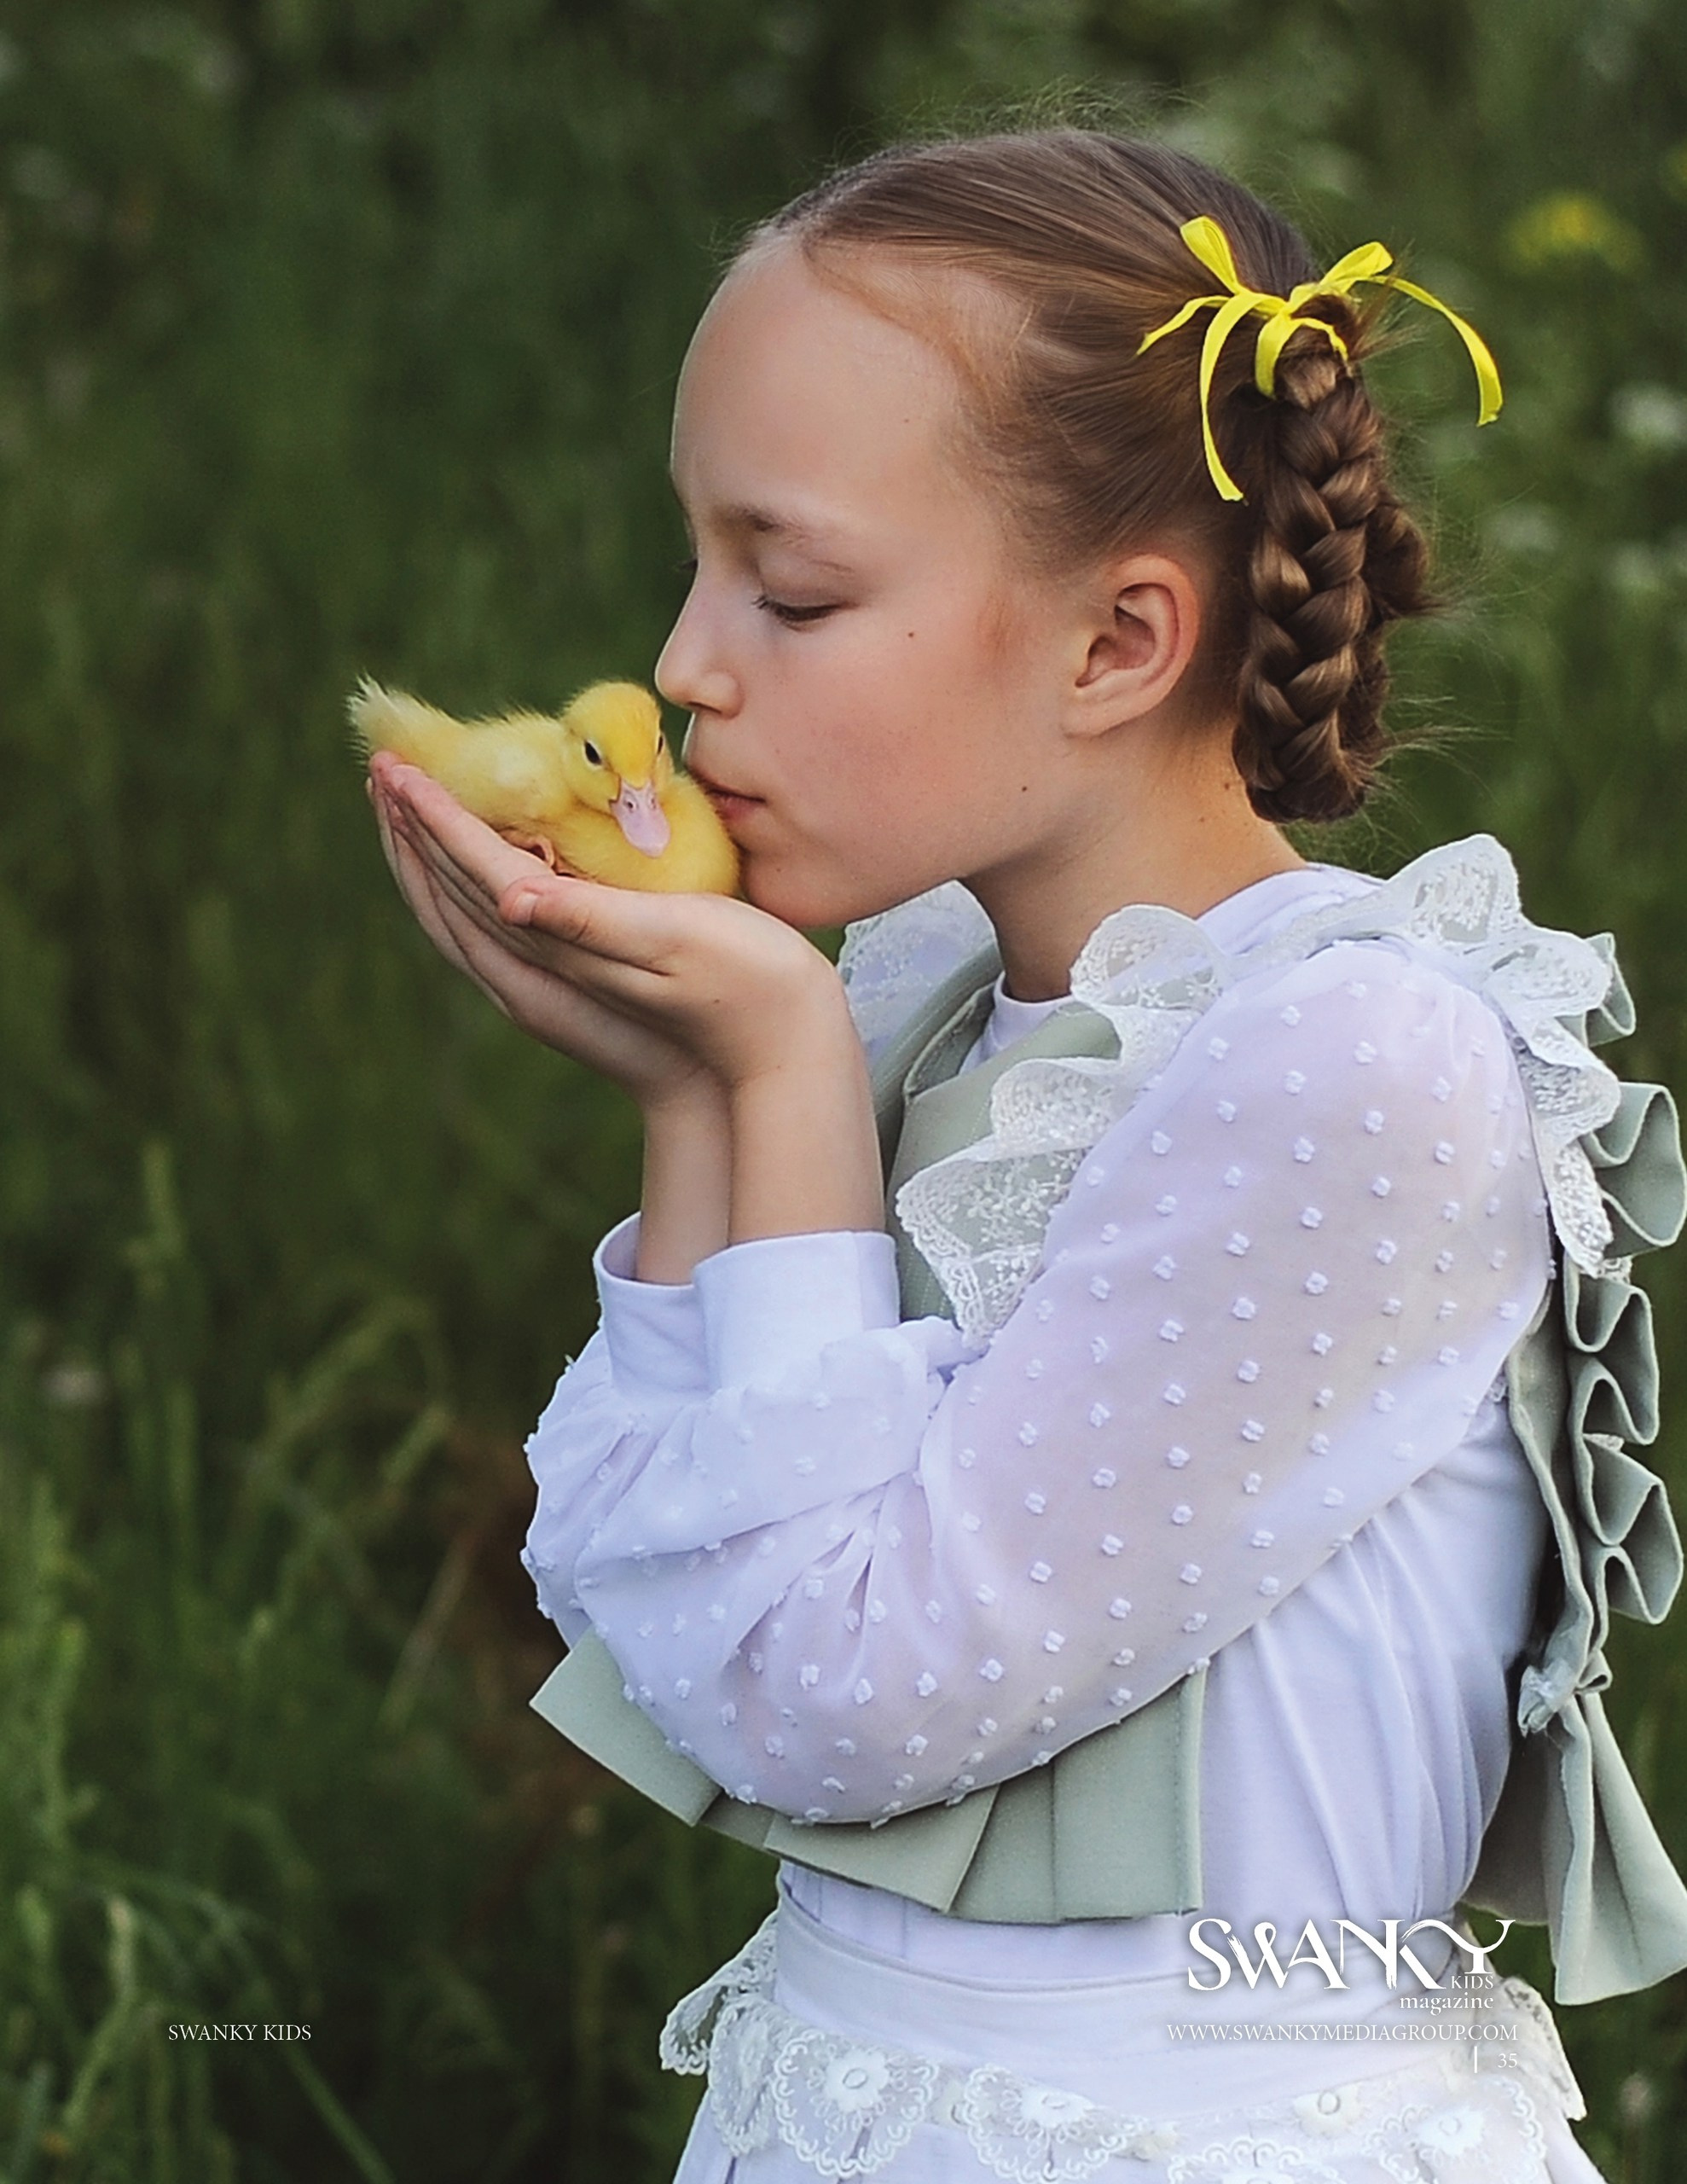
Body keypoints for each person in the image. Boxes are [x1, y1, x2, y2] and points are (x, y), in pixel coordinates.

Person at [366, 129, 1687, 2183]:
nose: (685, 667)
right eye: (696, 565)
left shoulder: (1354, 1072)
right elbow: (655, 1605)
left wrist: (774, 1066)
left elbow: (834, 1694)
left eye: (789, 586)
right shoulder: (916, 990)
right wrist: (700, 1087)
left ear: (1113, 643)